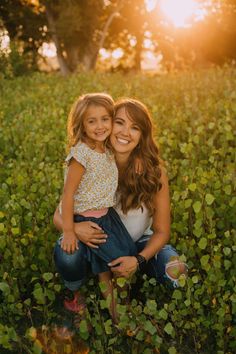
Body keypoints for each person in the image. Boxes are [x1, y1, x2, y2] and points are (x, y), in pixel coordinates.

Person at [54, 97, 187, 316]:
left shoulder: (153, 172)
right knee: (68, 254)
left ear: (142, 136)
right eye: (120, 122)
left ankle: (132, 278)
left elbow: (162, 231)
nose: (126, 132)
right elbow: (59, 213)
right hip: (95, 238)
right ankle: (76, 290)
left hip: (139, 246)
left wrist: (138, 259)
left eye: (135, 128)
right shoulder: (96, 161)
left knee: (177, 272)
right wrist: (76, 230)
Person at [54, 93, 137, 321]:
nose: (100, 126)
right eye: (92, 121)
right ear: (82, 124)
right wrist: (70, 230)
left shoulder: (107, 149)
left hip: (108, 217)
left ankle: (117, 312)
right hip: (87, 219)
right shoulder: (81, 155)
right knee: (117, 261)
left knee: (109, 266)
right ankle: (114, 311)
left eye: (104, 119)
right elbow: (68, 195)